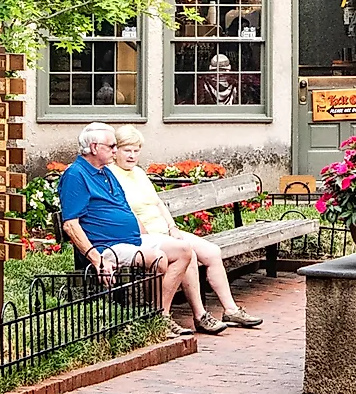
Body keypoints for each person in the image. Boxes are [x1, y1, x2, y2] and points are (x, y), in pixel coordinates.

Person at [55, 122, 215, 334]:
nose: (115, 150)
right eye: (111, 146)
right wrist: (97, 259)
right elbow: (70, 225)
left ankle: (160, 317)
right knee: (157, 258)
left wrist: (148, 237)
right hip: (107, 247)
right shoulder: (76, 175)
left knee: (184, 250)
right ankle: (159, 321)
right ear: (94, 148)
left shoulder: (105, 172)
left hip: (132, 240)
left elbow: (125, 210)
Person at [110, 125, 261, 332]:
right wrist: (148, 236)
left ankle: (231, 310)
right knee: (187, 255)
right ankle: (200, 315)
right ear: (115, 150)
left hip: (164, 230)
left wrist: (173, 227)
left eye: (136, 150)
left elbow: (158, 203)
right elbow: (126, 212)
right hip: (147, 235)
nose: (132, 155)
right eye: (127, 150)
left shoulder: (138, 173)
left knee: (212, 252)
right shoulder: (112, 175)